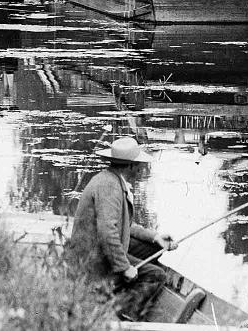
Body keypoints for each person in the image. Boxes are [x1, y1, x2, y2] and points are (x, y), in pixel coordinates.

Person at [66, 137, 178, 321]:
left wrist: (155, 237)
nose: (141, 168)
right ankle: (124, 314)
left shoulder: (112, 180)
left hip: (98, 249)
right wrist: (124, 267)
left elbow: (126, 225)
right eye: (139, 164)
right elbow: (108, 232)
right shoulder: (110, 187)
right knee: (156, 275)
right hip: (94, 259)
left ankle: (123, 284)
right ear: (131, 166)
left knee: (156, 248)